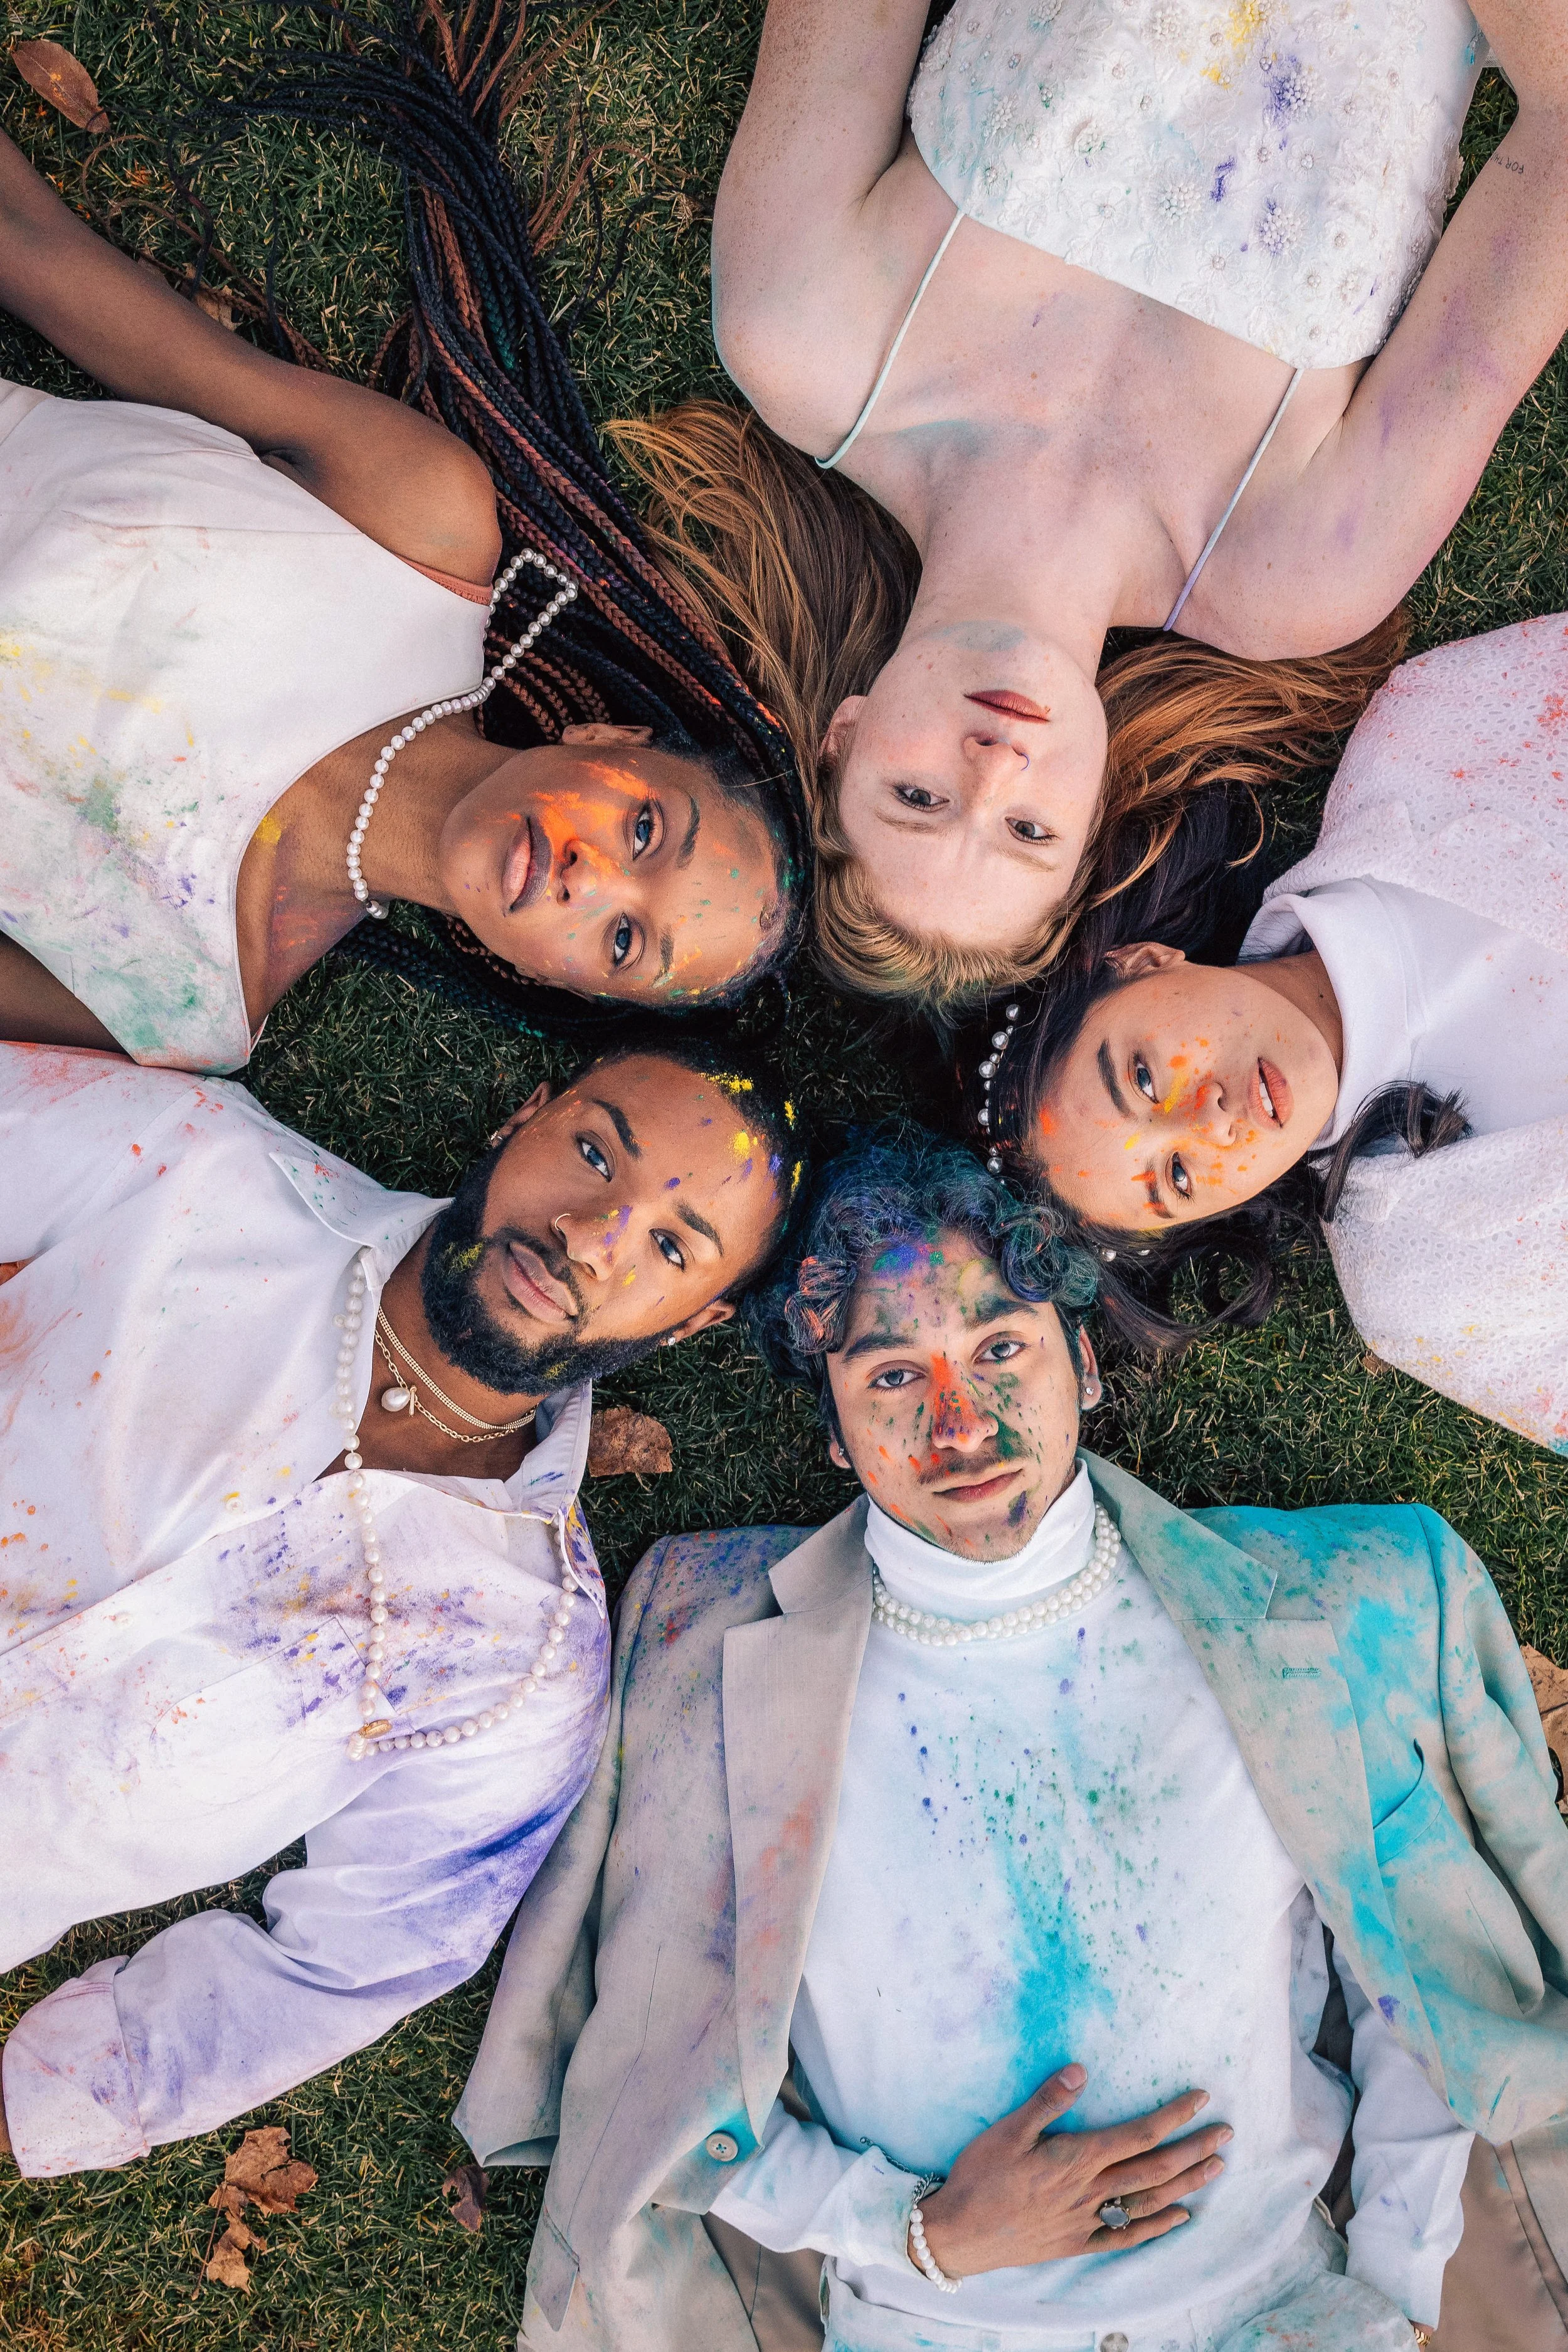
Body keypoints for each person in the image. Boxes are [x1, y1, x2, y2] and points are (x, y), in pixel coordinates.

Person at [452, 1132, 1568, 2352]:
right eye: (891, 1375)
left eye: (998, 1349)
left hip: (1286, 2309)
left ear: (1079, 1360)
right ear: (833, 1425)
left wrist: (1394, 2287)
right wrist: (915, 2231)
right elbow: (653, 2092)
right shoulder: (705, 1650)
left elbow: (1422, 1988)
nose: (958, 1422)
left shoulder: (1332, 1608)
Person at [652, 0, 1568, 1007]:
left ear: (845, 735)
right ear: (1093, 814)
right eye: (1029, 831)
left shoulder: (802, 331)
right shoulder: (1305, 569)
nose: (994, 769)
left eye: (919, 796)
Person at [0, 1029, 802, 2175]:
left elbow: (348, 1962)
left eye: (671, 1245)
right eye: (593, 1152)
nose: (588, 1236)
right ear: (524, 1115)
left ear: (692, 1321)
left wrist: (47, 2101)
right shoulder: (201, 1170)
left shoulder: (520, 1665)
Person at [0, 40, 807, 1073]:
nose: (590, 875)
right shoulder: (416, 524)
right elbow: (42, 257)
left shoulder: (181, 1004)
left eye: (621, 940)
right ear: (608, 737)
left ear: (559, 982)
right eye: (645, 830)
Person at [1010, 609, 1568, 1453]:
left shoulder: (1426, 733)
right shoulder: (1425, 1292)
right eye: (1179, 1176)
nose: (1210, 1121)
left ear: (1143, 961)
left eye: (1145, 1079)